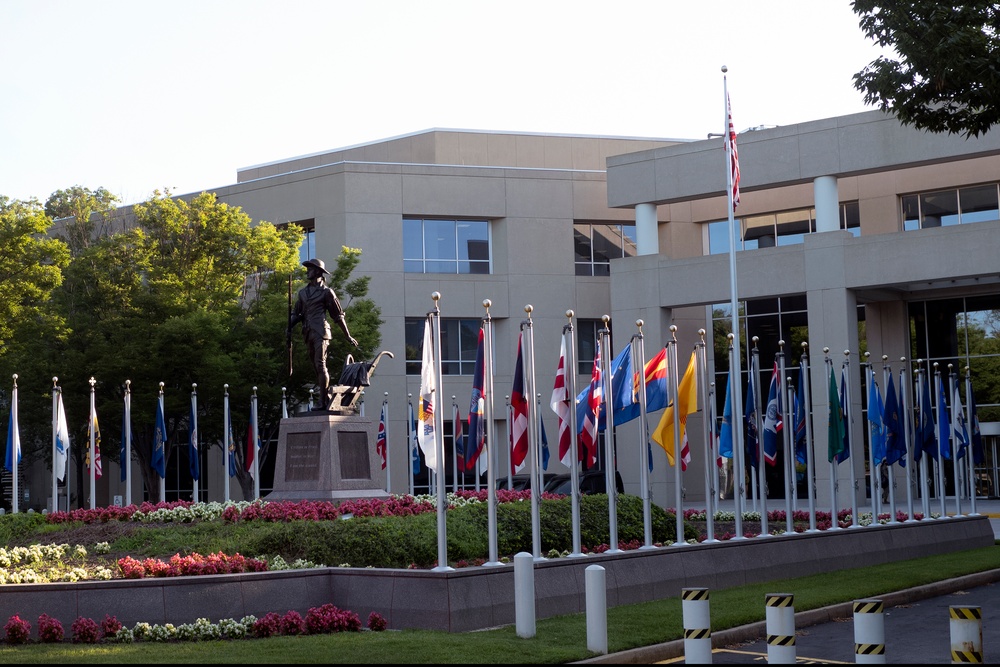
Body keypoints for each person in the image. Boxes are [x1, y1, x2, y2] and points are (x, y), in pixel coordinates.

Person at [288, 258, 359, 410]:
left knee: (320, 364)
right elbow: (296, 313)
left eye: (310, 269)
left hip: (322, 332)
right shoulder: (302, 293)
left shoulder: (327, 292)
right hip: (308, 332)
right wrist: (289, 325)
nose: (307, 271)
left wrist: (347, 335)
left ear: (319, 272)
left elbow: (338, 316)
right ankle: (325, 395)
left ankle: (323, 400)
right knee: (315, 365)